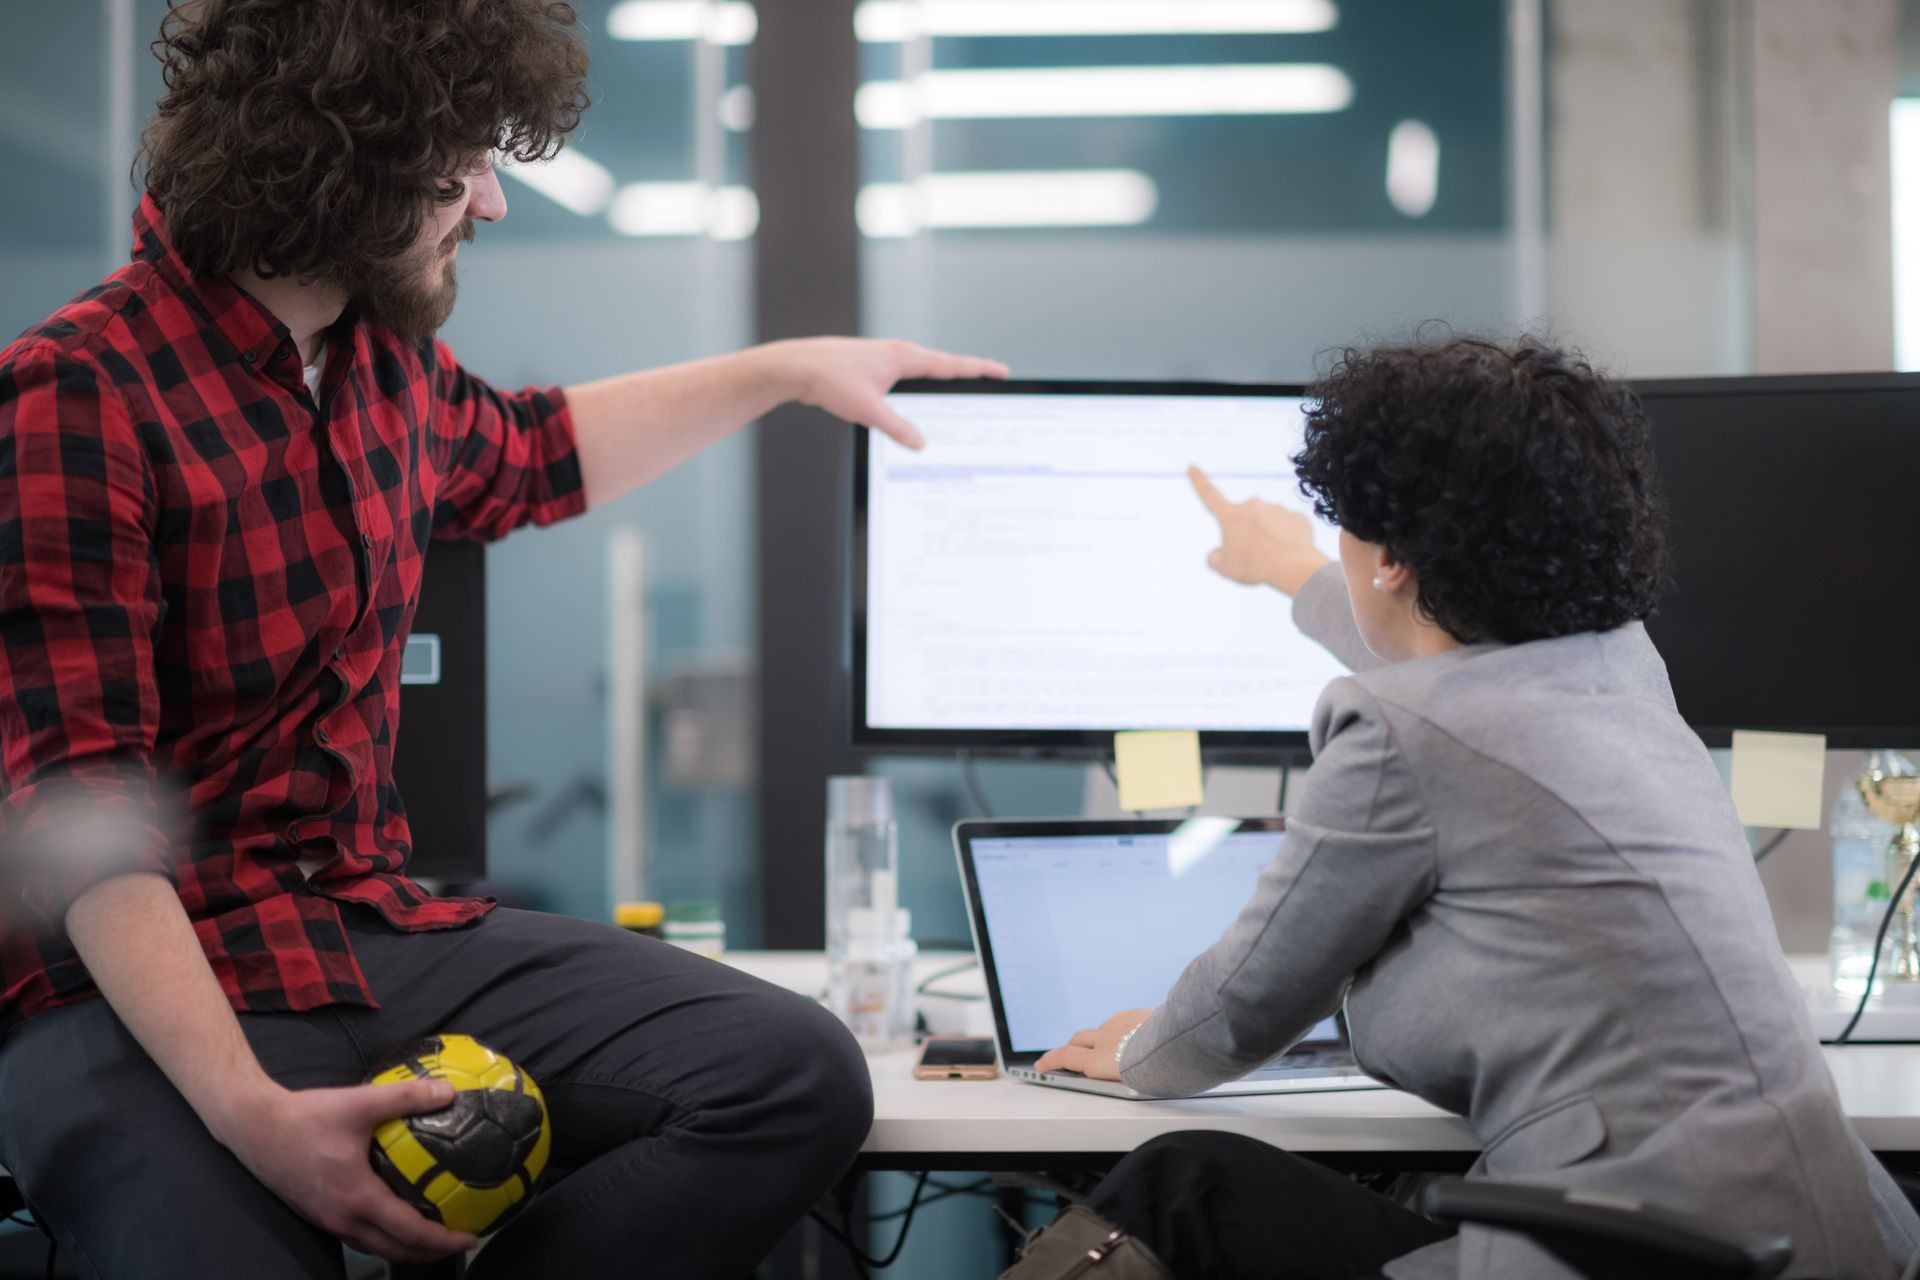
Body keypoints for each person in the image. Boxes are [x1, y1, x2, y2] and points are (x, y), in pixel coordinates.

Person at [0, 1, 1005, 1275]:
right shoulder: (77, 389)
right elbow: (83, 822)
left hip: (361, 928)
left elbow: (533, 452)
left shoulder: (381, 367)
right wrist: (256, 1118)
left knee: (793, 1075)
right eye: (462, 164)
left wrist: (791, 371)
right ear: (337, 165)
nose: (491, 202)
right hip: (136, 979)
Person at [1036, 336, 1920, 1279]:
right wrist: (1289, 568)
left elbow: (1247, 1002)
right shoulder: (1621, 664)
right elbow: (1437, 651)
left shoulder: (1397, 731)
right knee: (1204, 1183)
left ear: (1394, 558)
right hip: (1829, 1238)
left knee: (1177, 1187)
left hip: (1639, 1257)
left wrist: (1137, 1050)